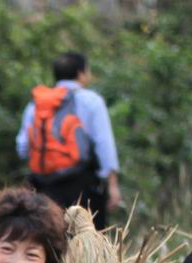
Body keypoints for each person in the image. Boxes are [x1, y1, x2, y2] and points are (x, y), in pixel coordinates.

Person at [16, 51, 121, 229]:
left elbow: (22, 147)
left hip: (42, 188)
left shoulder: (36, 104)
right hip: (82, 185)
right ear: (81, 73)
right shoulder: (91, 101)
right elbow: (105, 144)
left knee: (50, 239)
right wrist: (112, 185)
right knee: (87, 241)